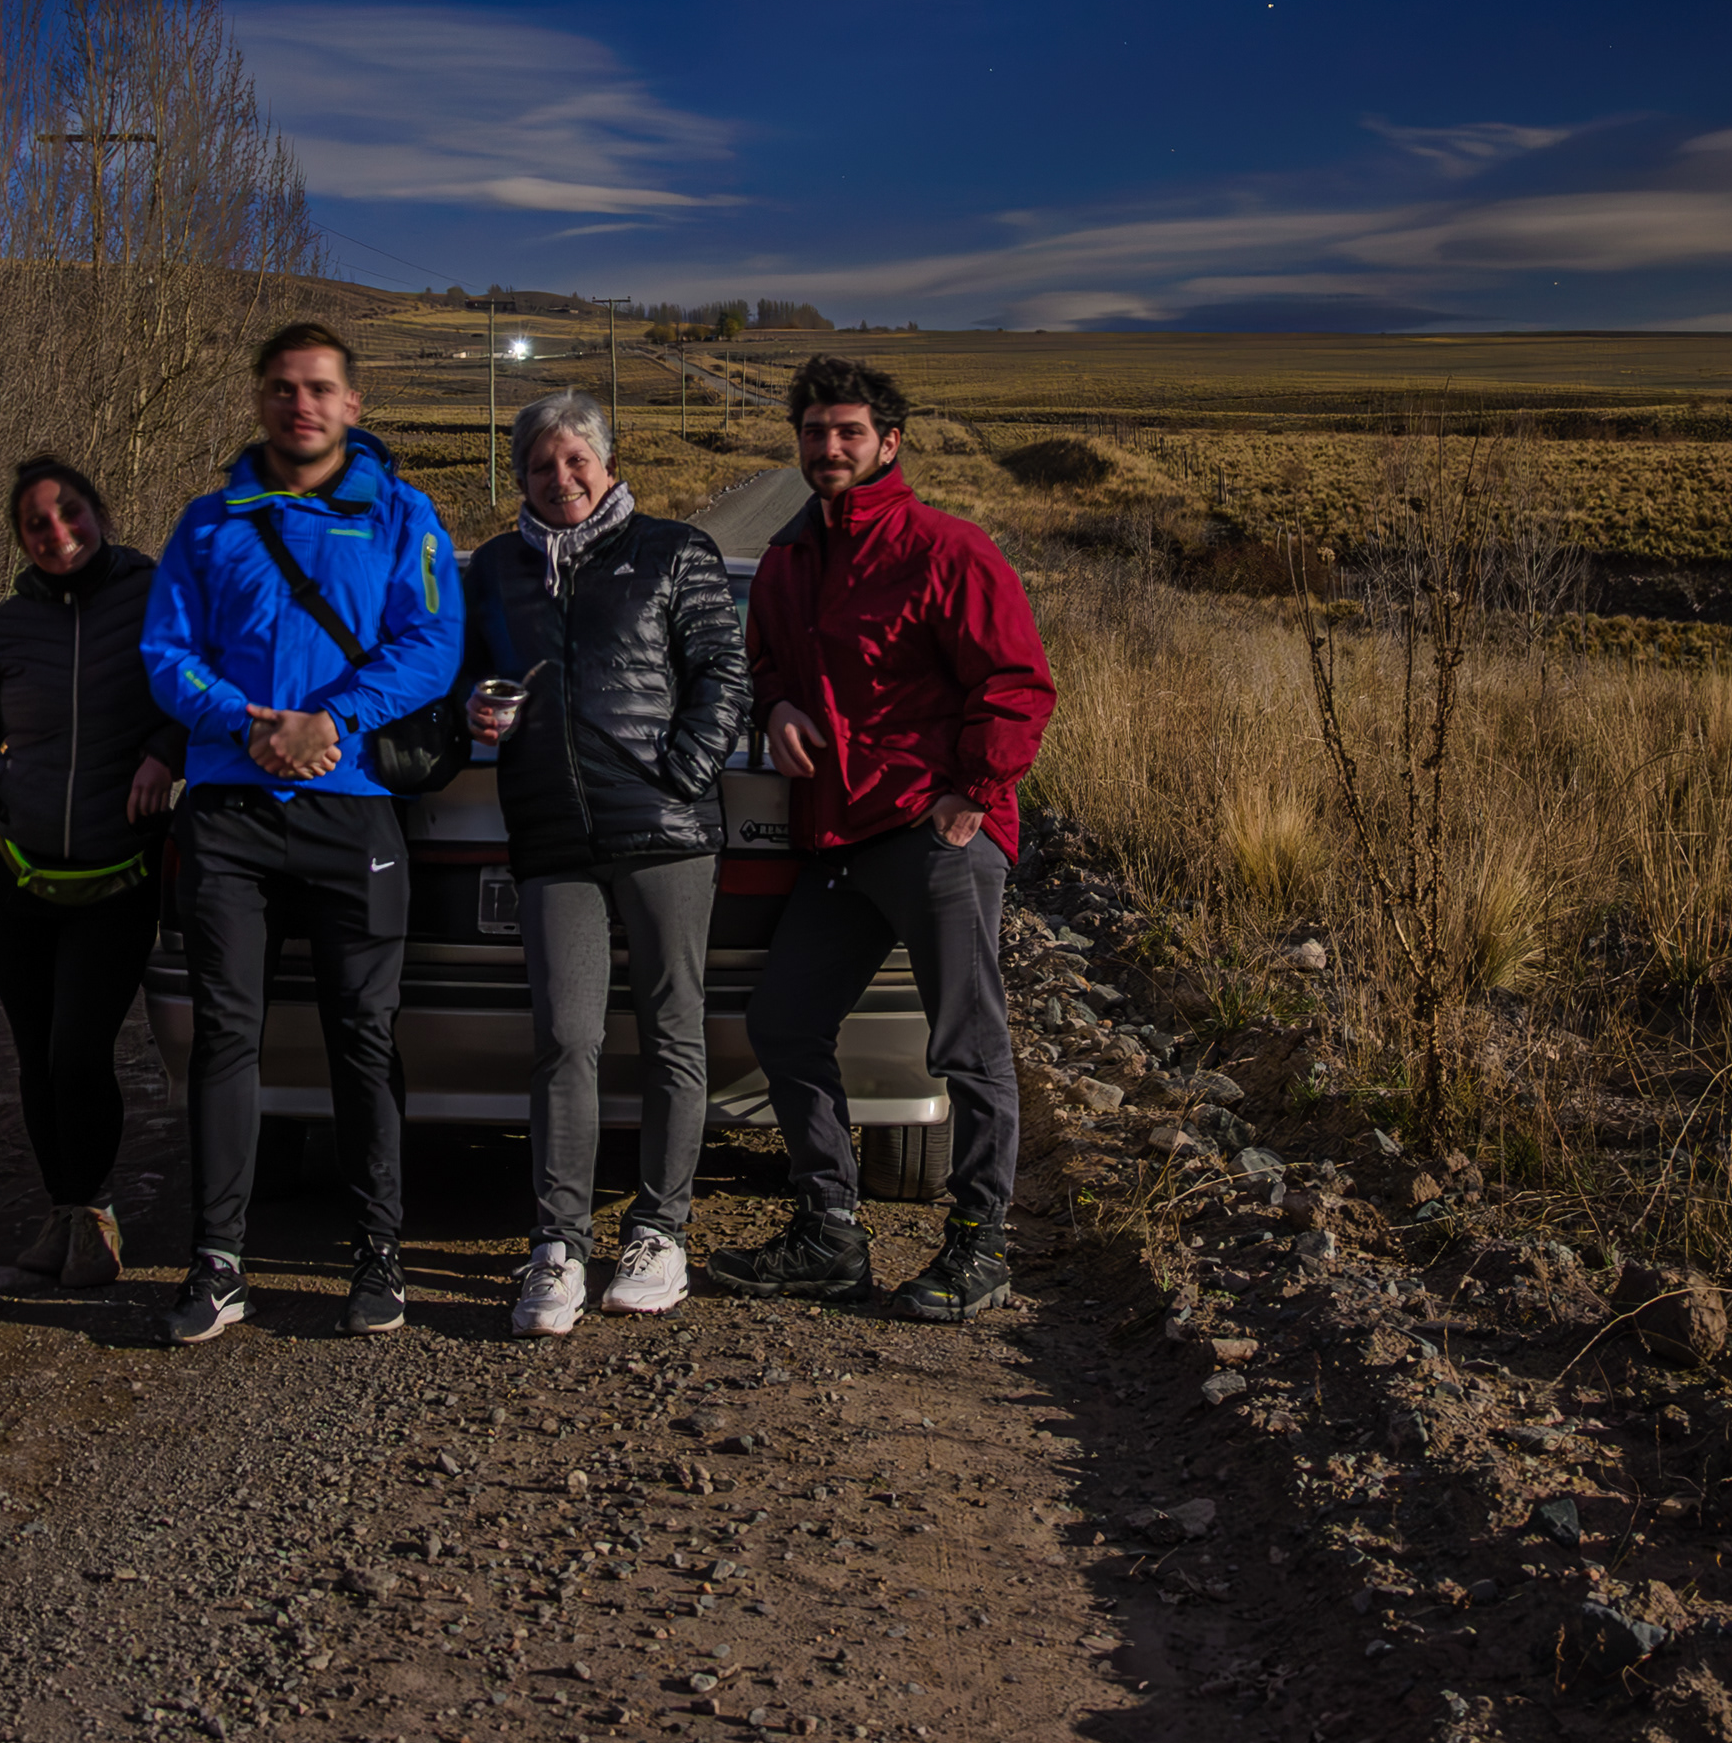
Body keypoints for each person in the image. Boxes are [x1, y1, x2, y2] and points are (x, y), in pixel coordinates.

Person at [706, 355, 1055, 1323]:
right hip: (838, 839)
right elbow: (765, 667)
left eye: (849, 432)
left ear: (888, 442)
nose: (830, 447)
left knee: (968, 1039)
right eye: (816, 431)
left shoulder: (947, 550)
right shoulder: (785, 560)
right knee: (784, 1019)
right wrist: (774, 707)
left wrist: (971, 798)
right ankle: (829, 1229)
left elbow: (1019, 684)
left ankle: (980, 1242)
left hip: (931, 831)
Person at [142, 321, 463, 1346]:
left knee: (361, 1037)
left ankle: (378, 1254)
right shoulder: (205, 526)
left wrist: (332, 719)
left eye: (321, 387)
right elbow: (165, 651)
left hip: (352, 805)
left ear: (353, 404)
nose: (301, 405)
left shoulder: (406, 519)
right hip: (231, 810)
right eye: (282, 387)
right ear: (259, 400)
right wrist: (247, 723)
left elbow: (433, 646)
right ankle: (219, 1260)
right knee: (227, 1036)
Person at [460, 389, 748, 1339]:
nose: (560, 478)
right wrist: (480, 713)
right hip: (551, 835)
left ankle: (661, 1232)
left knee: (672, 1029)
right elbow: (465, 676)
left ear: (609, 465)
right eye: (541, 466)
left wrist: (682, 772)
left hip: (665, 833)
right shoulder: (494, 569)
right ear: (521, 478)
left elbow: (721, 674)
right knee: (565, 1038)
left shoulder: (673, 552)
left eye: (576, 460)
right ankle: (558, 1245)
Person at [0, 455, 183, 1293]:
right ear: (21, 538)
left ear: (100, 513)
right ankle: (68, 1213)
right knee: (35, 1053)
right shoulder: (3, 629)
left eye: (69, 513)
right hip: (11, 871)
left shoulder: (156, 602)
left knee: (80, 1051)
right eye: (37, 523)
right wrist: (0, 787)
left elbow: (202, 690)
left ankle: (94, 1209)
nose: (57, 533)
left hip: (118, 874)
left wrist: (164, 752)